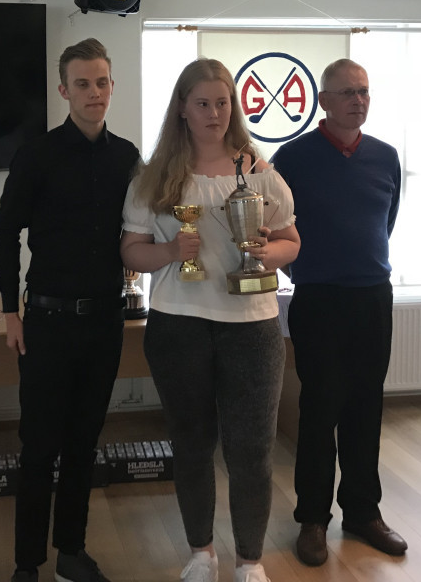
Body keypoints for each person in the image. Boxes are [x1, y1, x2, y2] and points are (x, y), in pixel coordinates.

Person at [120, 58, 301, 582]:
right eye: (203, 103)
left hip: (253, 326)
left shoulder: (260, 172)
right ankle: (201, 553)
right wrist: (170, 251)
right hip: (178, 325)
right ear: (182, 108)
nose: (214, 113)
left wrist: (267, 254)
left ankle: (250, 561)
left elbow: (291, 241)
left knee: (252, 450)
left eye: (223, 103)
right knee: (192, 444)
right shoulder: (152, 178)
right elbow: (131, 251)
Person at [0, 38, 140, 582]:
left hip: (105, 322)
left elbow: (143, 225)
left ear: (111, 86)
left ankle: (71, 554)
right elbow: (5, 235)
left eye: (101, 82)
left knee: (84, 445)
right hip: (47, 324)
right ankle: (27, 564)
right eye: (82, 84)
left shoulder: (127, 157)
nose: (94, 92)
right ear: (64, 90)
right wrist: (10, 312)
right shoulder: (37, 154)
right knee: (39, 448)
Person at [269, 58, 405, 566]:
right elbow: (275, 226)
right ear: (323, 101)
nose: (358, 100)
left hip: (372, 296)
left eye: (364, 91)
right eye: (347, 92)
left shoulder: (385, 157)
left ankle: (363, 512)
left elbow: (386, 223)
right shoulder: (292, 158)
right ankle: (312, 518)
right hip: (319, 299)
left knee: (366, 407)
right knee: (320, 409)